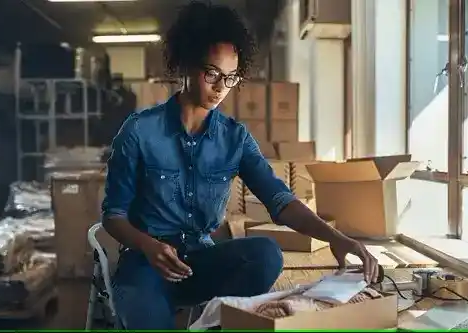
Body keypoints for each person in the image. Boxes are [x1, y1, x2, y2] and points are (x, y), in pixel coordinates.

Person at [101, 1, 379, 329]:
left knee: (266, 254)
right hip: (146, 266)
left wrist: (335, 237)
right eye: (212, 74)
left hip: (201, 262)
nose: (221, 87)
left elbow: (280, 200)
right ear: (185, 65)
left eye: (230, 77)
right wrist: (148, 245)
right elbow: (113, 215)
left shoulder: (235, 138)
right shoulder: (139, 131)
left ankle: (216, 323)